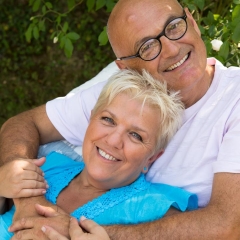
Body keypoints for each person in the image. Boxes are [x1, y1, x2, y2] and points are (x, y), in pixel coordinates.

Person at [1, 0, 240, 238]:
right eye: (147, 47)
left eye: (174, 26)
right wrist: (28, 200)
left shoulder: (234, 99)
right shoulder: (123, 96)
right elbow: (23, 124)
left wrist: (73, 230)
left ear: (193, 21)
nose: (172, 49)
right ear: (125, 69)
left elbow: (230, 227)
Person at [0, 69, 198, 239]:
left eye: (136, 135)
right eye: (108, 120)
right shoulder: (48, 166)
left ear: (152, 158)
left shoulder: (156, 208)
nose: (113, 140)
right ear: (91, 118)